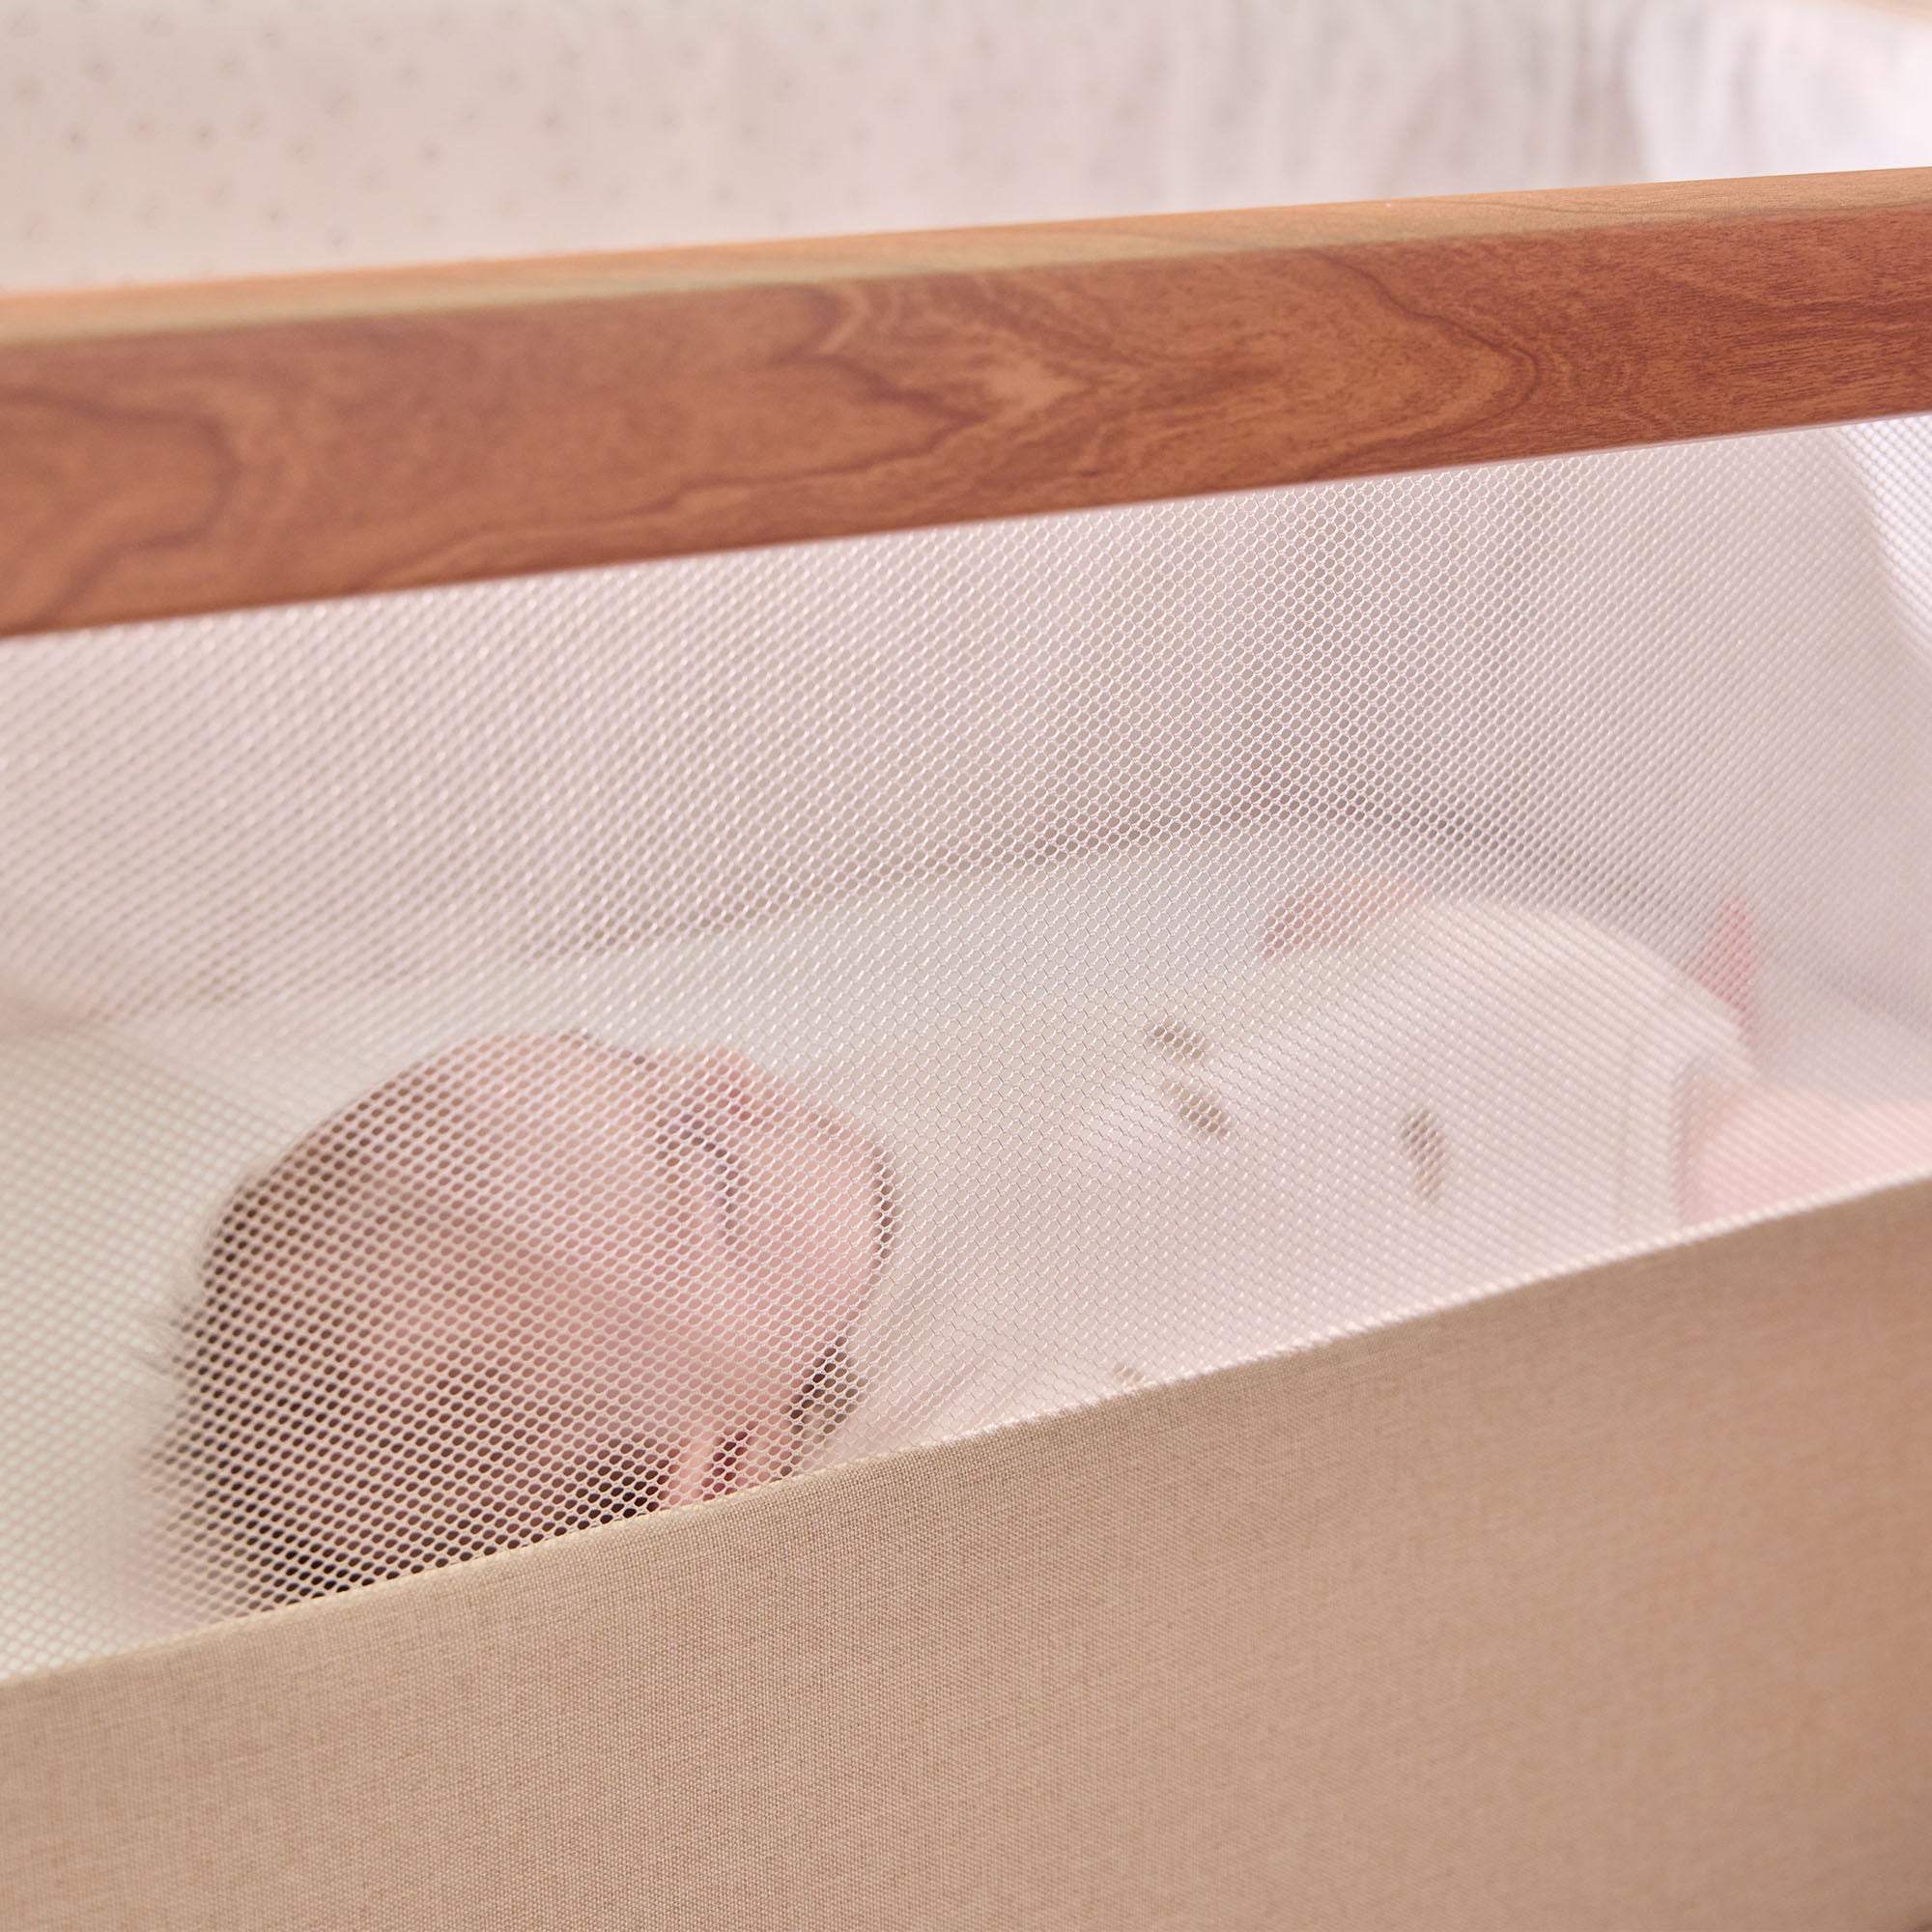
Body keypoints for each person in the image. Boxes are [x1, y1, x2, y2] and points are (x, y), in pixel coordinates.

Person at [164, 887, 1932, 1610]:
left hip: (1352, 1035)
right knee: (1795, 1176)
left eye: (641, 1063)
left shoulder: (799, 1174)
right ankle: (1730, 1093)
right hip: (1529, 1166)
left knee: (1333, 923)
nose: (726, 1074)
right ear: (728, 1470)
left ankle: (1623, 1010)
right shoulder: (953, 1439)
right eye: (699, 1162)